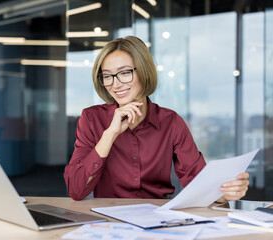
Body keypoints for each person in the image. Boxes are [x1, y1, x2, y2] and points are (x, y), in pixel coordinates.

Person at [64, 36, 249, 202]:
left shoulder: (171, 122)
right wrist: (109, 134)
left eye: (125, 72)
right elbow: (76, 190)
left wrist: (226, 192)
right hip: (109, 222)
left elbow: (198, 181)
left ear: (143, 71)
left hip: (156, 221)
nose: (116, 83)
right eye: (107, 76)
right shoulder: (91, 119)